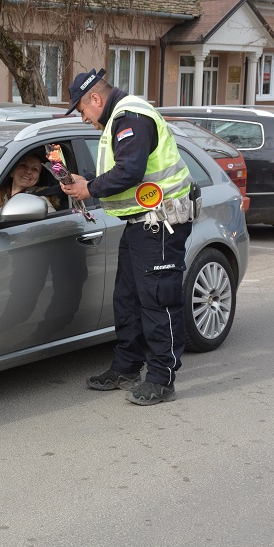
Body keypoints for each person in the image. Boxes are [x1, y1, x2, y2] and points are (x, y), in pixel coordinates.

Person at [61, 68, 194, 406]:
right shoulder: (122, 119)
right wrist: (87, 179)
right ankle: (126, 368)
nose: (84, 118)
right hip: (142, 223)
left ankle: (162, 378)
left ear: (95, 98)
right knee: (128, 298)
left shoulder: (131, 116)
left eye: (82, 110)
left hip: (161, 223)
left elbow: (130, 171)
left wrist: (88, 187)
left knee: (157, 301)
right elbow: (126, 171)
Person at [0, 153, 60, 217]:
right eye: (23, 165)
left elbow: (52, 224)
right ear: (12, 172)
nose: (28, 171)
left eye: (35, 169)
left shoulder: (40, 202)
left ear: (37, 179)